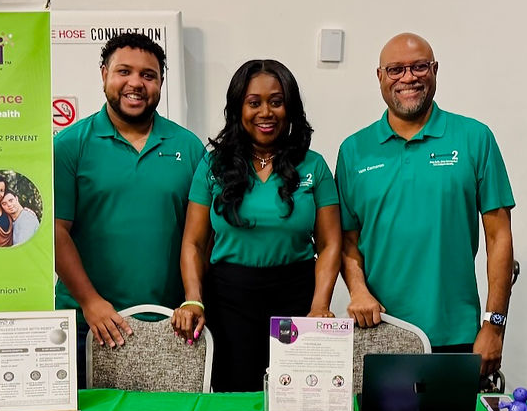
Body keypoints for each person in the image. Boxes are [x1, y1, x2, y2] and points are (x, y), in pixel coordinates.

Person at [335, 33, 515, 377]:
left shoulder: (474, 138)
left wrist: (494, 325)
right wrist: (357, 291)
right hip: (380, 331)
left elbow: (499, 237)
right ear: (379, 76)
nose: (408, 78)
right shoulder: (354, 150)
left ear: (434, 70)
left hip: (456, 333)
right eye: (395, 70)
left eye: (419, 67)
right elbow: (346, 241)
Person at [172, 59, 341, 392]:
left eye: (276, 102)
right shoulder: (212, 164)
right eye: (254, 103)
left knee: (295, 398)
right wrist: (193, 298)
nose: (266, 112)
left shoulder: (314, 166)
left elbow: (330, 243)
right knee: (233, 398)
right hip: (229, 300)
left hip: (297, 298)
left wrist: (320, 305)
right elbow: (193, 242)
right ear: (238, 109)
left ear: (289, 108)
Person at [54, 33, 204, 381]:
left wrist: (193, 299)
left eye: (148, 75)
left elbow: (200, 237)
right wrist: (91, 302)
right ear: (104, 74)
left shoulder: (189, 147)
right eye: (124, 71)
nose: (135, 83)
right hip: (88, 326)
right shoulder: (69, 145)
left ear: (161, 82)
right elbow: (56, 233)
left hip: (170, 327)